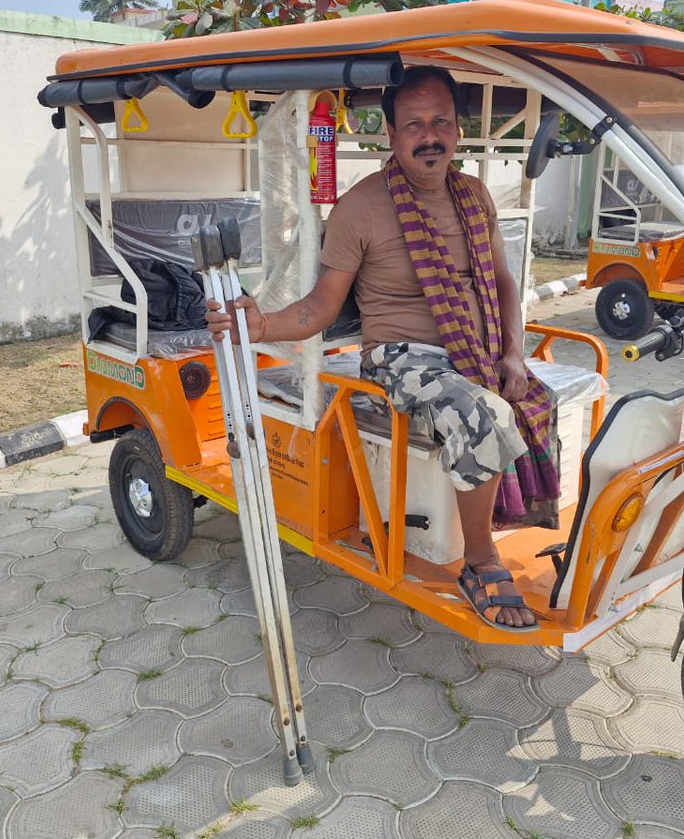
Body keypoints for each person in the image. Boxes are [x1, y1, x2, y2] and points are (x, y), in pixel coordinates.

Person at [206, 66, 554, 631]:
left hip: (480, 348)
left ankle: (514, 512)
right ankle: (480, 561)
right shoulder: (361, 208)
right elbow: (321, 306)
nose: (430, 135)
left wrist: (513, 352)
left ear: (458, 130)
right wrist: (262, 325)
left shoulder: (474, 195)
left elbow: (504, 282)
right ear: (390, 134)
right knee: (482, 412)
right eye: (414, 124)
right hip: (402, 357)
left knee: (534, 389)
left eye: (441, 120)